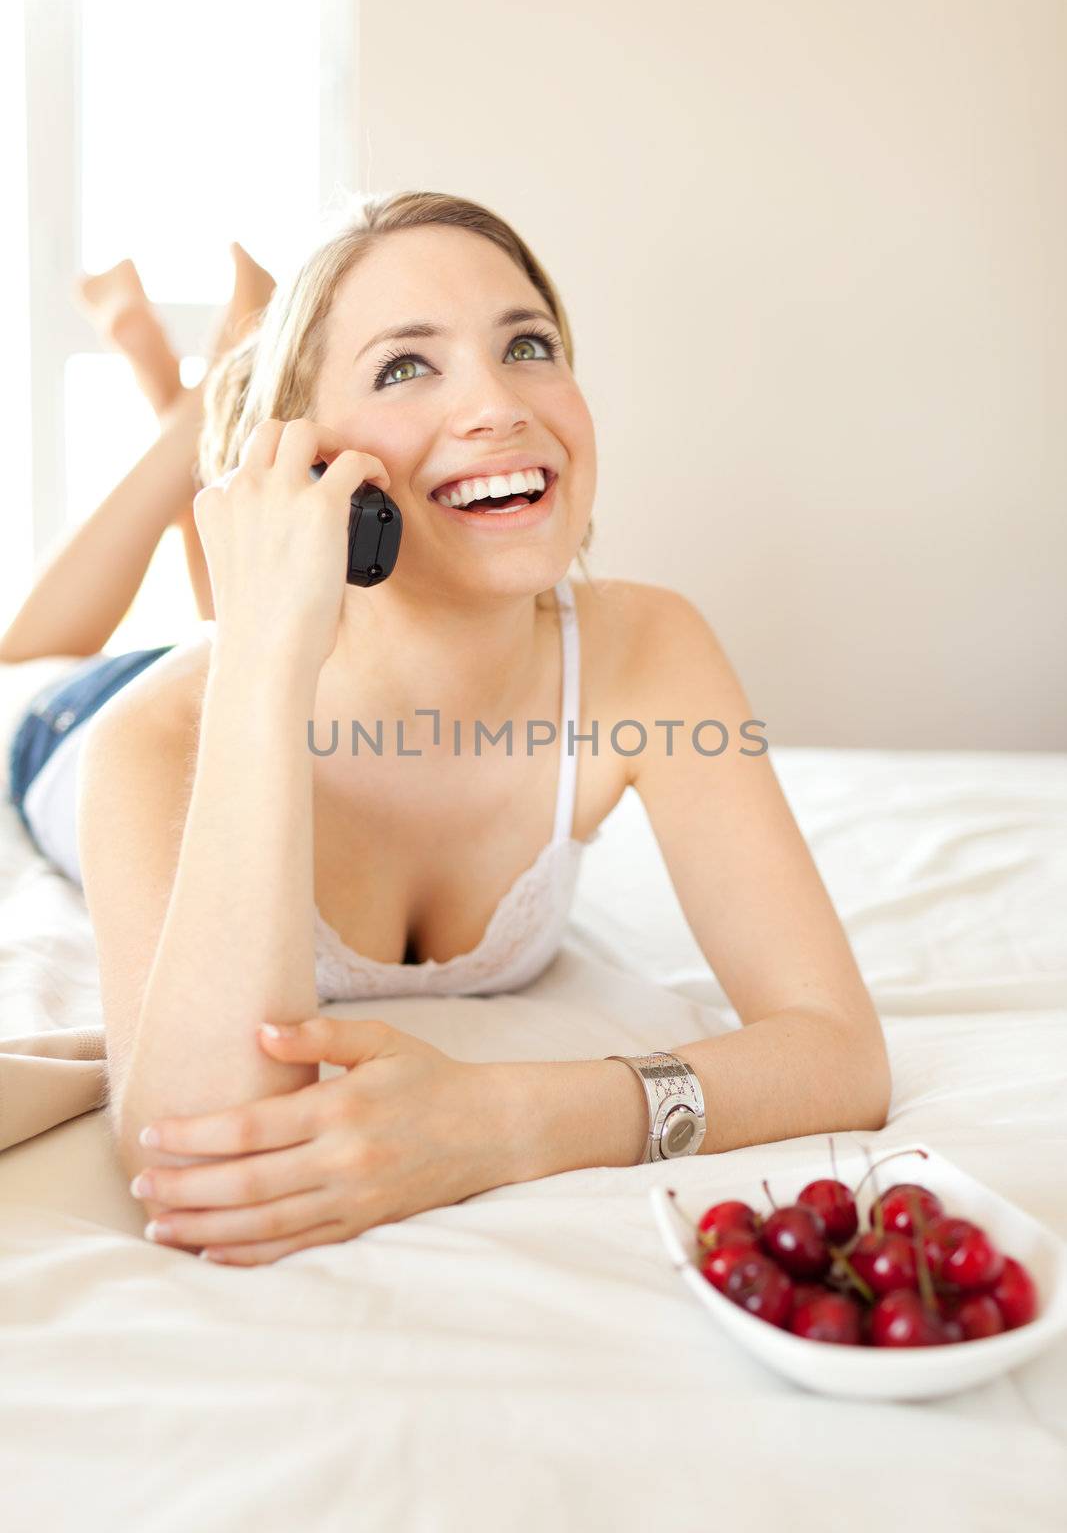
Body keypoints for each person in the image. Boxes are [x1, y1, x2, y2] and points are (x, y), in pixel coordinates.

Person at [1, 190, 891, 1268]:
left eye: (526, 345)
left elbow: (838, 1054)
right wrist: (262, 665)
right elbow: (198, 1160)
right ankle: (192, 426)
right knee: (26, 661)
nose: (498, 407)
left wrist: (508, 1120)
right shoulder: (153, 734)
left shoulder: (648, 651)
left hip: (283, 640)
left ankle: (212, 390)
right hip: (67, 715)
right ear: (308, 458)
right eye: (404, 366)